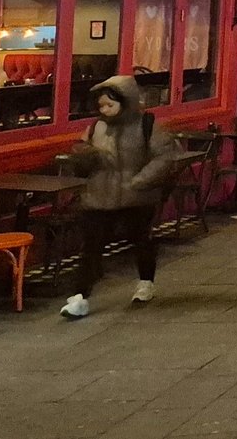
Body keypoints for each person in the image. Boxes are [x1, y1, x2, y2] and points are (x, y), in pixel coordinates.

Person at [59, 76, 178, 318]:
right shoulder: (95, 127)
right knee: (91, 247)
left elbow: (164, 157)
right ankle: (80, 297)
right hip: (99, 196)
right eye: (101, 106)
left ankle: (146, 282)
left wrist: (139, 182)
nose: (105, 110)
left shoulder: (147, 125)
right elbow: (82, 155)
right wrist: (83, 155)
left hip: (135, 196)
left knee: (141, 241)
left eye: (110, 105)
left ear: (126, 102)